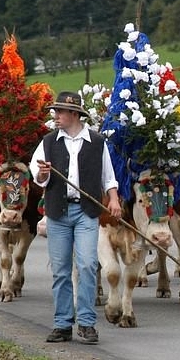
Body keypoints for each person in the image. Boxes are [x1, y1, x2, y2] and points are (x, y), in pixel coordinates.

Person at [29, 91, 122, 344]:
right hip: (57, 211)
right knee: (60, 270)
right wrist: (41, 173)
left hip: (86, 212)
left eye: (60, 112)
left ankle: (87, 323)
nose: (55, 116)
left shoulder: (96, 141)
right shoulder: (48, 142)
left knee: (88, 265)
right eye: (55, 112)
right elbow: (39, 179)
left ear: (74, 114)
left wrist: (113, 199)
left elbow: (108, 176)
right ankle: (62, 324)